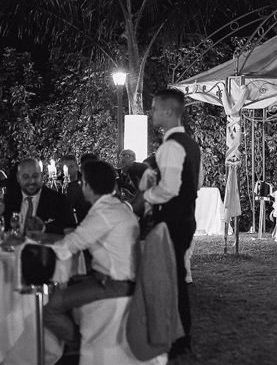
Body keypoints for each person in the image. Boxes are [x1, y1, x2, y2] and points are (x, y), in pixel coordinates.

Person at [133, 88, 201, 358]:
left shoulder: (171, 146)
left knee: (169, 279)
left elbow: (171, 188)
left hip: (172, 220)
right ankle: (179, 336)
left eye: (154, 108)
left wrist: (145, 197)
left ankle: (177, 338)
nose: (151, 113)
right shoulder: (190, 144)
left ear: (168, 112)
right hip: (185, 218)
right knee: (175, 278)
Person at [43, 160, 139, 345]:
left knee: (51, 308)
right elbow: (83, 235)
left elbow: (68, 246)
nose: (80, 185)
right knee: (73, 284)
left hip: (114, 284)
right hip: (120, 278)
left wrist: (42, 242)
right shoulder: (115, 206)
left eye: (82, 182)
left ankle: (82, 346)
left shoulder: (102, 213)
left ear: (87, 185)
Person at [2, 158, 76, 234]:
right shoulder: (9, 201)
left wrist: (44, 228)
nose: (31, 181)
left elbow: (71, 232)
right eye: (26, 177)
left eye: (35, 176)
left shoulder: (59, 201)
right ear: (18, 178)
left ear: (41, 176)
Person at [60, 154, 90, 223]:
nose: (69, 170)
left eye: (71, 167)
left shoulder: (85, 182)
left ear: (76, 167)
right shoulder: (57, 183)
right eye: (66, 168)